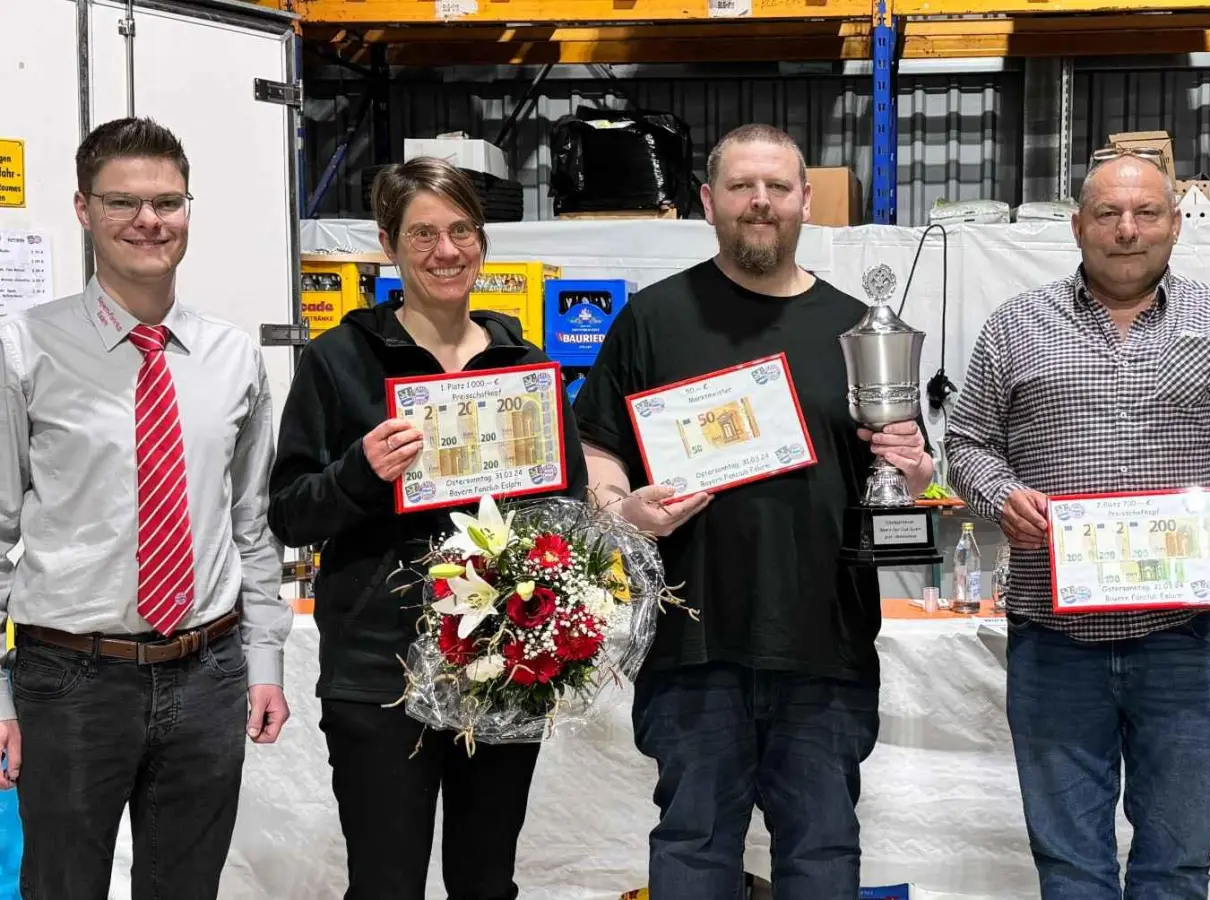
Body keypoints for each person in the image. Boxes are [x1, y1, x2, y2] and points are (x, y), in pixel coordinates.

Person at [572, 124, 933, 900]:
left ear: (805, 200)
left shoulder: (857, 332)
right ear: (708, 201)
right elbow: (599, 446)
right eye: (740, 187)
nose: (759, 202)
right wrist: (622, 508)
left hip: (824, 647)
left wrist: (915, 462)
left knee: (822, 858)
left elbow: (912, 463)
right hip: (691, 645)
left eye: (776, 186)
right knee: (693, 853)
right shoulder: (653, 319)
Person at [945, 150, 1210, 900]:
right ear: (1077, 225)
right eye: (1107, 213)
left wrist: (1207, 528)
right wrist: (1000, 494)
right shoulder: (1015, 326)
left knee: (1175, 863)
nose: (1126, 229)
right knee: (1069, 863)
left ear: (1175, 225)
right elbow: (967, 444)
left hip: (1186, 637)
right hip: (1053, 638)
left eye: (1145, 213)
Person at [267, 157, 589, 900]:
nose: (446, 252)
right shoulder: (337, 362)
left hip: (506, 664)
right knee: (386, 885)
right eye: (422, 235)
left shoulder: (523, 364)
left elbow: (565, 505)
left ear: (480, 241)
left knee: (486, 883)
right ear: (388, 244)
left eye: (460, 231)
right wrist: (360, 472)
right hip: (380, 674)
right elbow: (290, 511)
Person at [0, 116, 292, 898]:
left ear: (188, 209)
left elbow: (249, 526)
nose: (148, 221)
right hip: (69, 679)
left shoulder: (233, 357)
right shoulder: (23, 349)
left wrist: (265, 660)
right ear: (83, 210)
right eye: (123, 202)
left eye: (167, 202)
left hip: (208, 672)